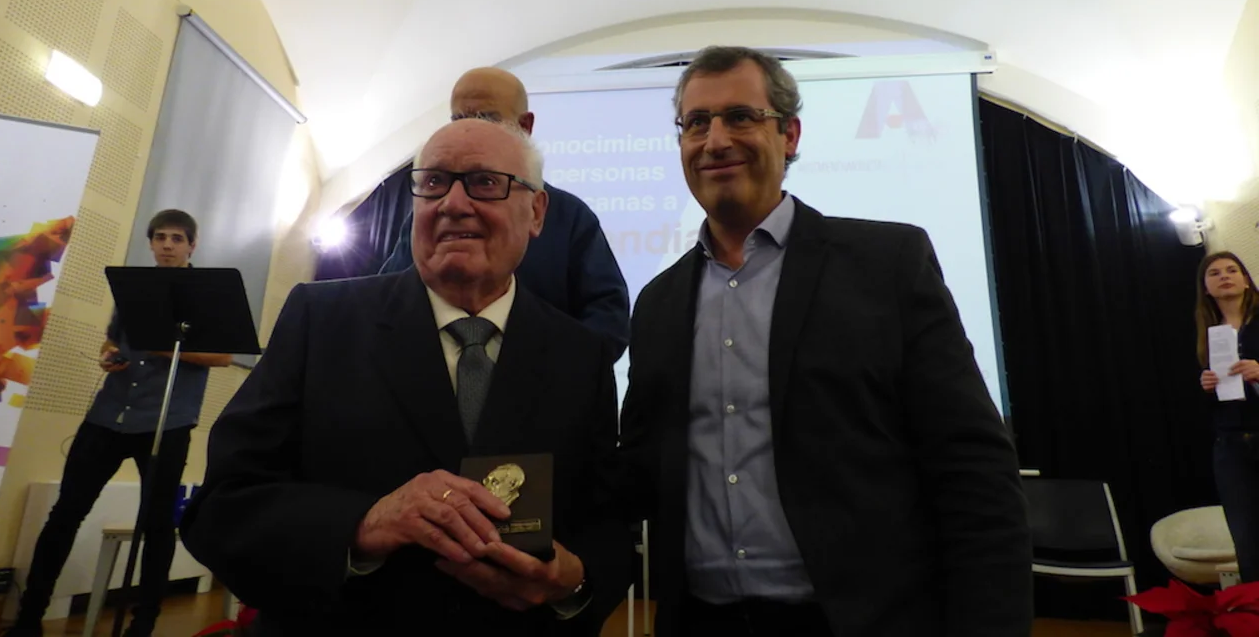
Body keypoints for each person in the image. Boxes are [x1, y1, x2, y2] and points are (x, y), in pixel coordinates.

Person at [617, 46, 1033, 637]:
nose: (715, 141)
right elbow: (638, 472)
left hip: (861, 622)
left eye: (740, 117)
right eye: (696, 123)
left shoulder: (888, 265)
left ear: (789, 135)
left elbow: (972, 466)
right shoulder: (657, 303)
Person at [181, 119, 629, 635]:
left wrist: (572, 579)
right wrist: (364, 524)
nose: (453, 203)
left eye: (485, 183)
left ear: (537, 212)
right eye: (433, 182)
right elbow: (223, 508)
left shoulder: (581, 355)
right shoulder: (320, 320)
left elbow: (607, 526)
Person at [5, 210, 232, 637]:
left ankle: (142, 624)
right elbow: (112, 338)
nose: (167, 245)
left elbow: (222, 355)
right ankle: (28, 619)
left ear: (192, 245)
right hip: (109, 413)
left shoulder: (207, 295)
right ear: (151, 243)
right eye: (160, 237)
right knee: (65, 513)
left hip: (166, 420)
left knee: (158, 523)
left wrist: (162, 348)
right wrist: (109, 355)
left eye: (177, 238)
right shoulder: (132, 287)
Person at [380, 67, 630, 361]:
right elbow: (387, 301)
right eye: (459, 119)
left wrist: (555, 369)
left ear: (525, 126)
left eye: (486, 118)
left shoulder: (569, 216)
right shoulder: (430, 216)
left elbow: (607, 316)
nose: (471, 131)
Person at [1196, 251, 1259, 582]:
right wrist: (1204, 384)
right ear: (1206, 288)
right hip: (1230, 444)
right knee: (1247, 541)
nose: (1224, 276)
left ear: (1246, 280)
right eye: (1215, 273)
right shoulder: (1205, 333)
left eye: (1232, 270)